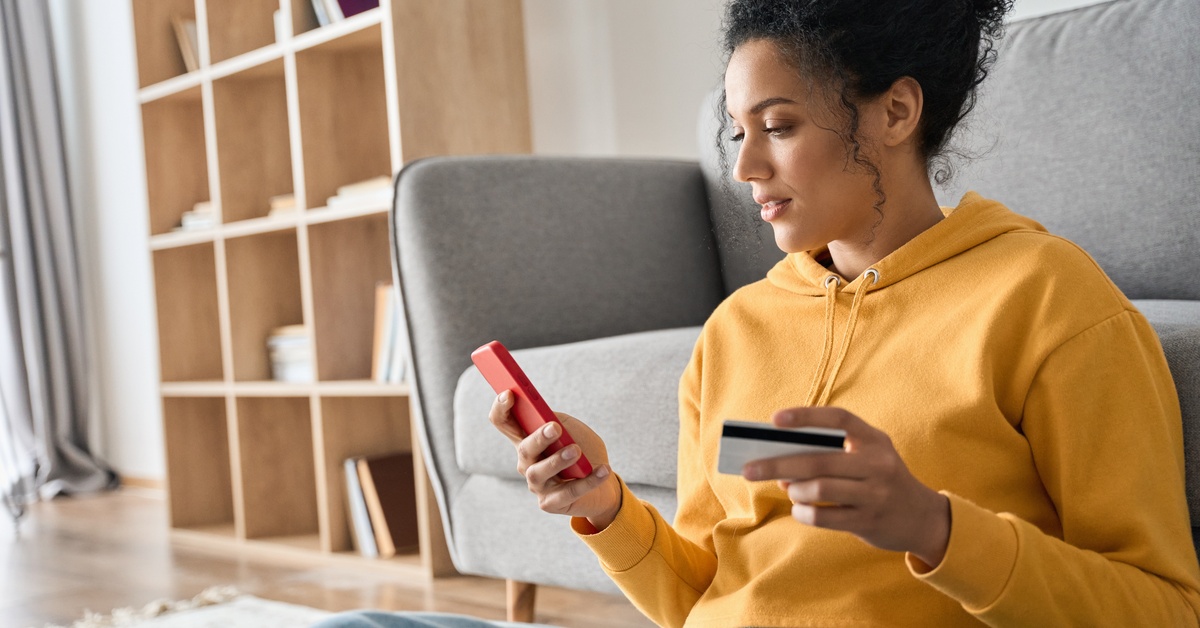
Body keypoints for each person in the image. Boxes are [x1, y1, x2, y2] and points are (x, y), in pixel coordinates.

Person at [317, 0, 1200, 626]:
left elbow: (1161, 607)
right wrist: (603, 504)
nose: (745, 170)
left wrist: (936, 528)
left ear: (896, 110)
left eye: (777, 127)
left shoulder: (1050, 303)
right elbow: (700, 593)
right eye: (736, 133)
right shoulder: (738, 331)